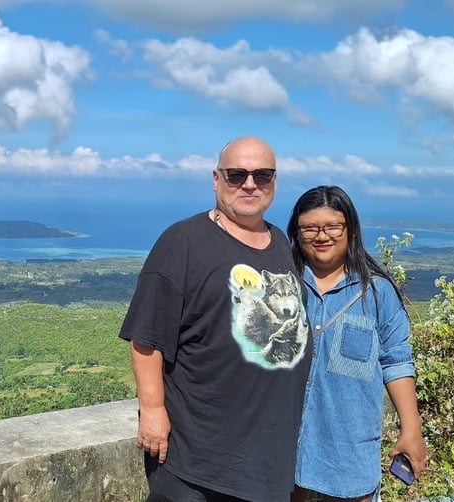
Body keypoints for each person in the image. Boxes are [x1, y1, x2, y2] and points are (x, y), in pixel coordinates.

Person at [119, 136, 312, 502]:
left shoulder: (280, 244)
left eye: (262, 175)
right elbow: (146, 338)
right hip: (197, 462)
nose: (250, 184)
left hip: (268, 460)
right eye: (236, 175)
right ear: (216, 179)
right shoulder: (183, 242)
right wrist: (153, 409)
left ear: (274, 181)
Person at [286, 185, 428, 502]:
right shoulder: (285, 285)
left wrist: (411, 430)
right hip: (283, 434)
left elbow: (396, 361)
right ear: (297, 232)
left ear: (350, 228)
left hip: (348, 437)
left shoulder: (378, 293)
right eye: (309, 228)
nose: (321, 236)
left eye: (333, 226)